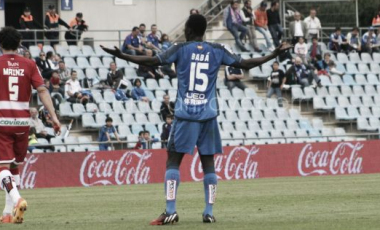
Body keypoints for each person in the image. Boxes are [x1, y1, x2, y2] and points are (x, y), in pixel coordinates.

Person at [100, 14, 291, 225]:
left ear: (189, 30)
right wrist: (273, 53)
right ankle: (208, 212)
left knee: (173, 160)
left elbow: (154, 61)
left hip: (185, 116)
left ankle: (170, 210)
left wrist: (124, 56)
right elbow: (246, 64)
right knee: (208, 163)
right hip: (208, 116)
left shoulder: (180, 49)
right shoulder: (218, 50)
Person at [0, 27, 60, 224]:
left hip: (2, 121)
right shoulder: (29, 64)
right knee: (14, 166)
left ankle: (17, 200)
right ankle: (9, 213)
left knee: (2, 168)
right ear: (19, 44)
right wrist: (54, 117)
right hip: (23, 123)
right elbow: (42, 91)